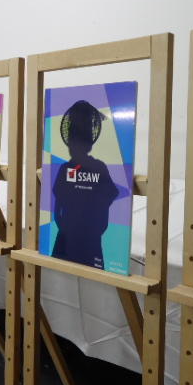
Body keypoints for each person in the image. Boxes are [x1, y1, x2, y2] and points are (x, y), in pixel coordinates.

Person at [52, 100, 118, 268]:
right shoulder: (67, 169)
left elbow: (110, 194)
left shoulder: (97, 168)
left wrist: (96, 227)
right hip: (69, 238)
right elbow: (57, 204)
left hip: (86, 239)